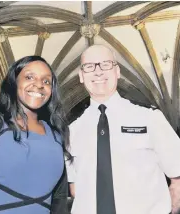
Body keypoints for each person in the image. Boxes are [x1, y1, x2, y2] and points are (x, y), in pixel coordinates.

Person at [65, 45, 180, 214]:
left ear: (117, 71)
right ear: (81, 76)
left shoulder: (149, 117)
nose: (98, 72)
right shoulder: (72, 129)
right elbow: (75, 188)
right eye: (89, 67)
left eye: (105, 64)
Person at [0, 55, 71, 214]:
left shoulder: (56, 134)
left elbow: (60, 199)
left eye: (46, 81)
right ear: (14, 81)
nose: (39, 84)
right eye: (29, 77)